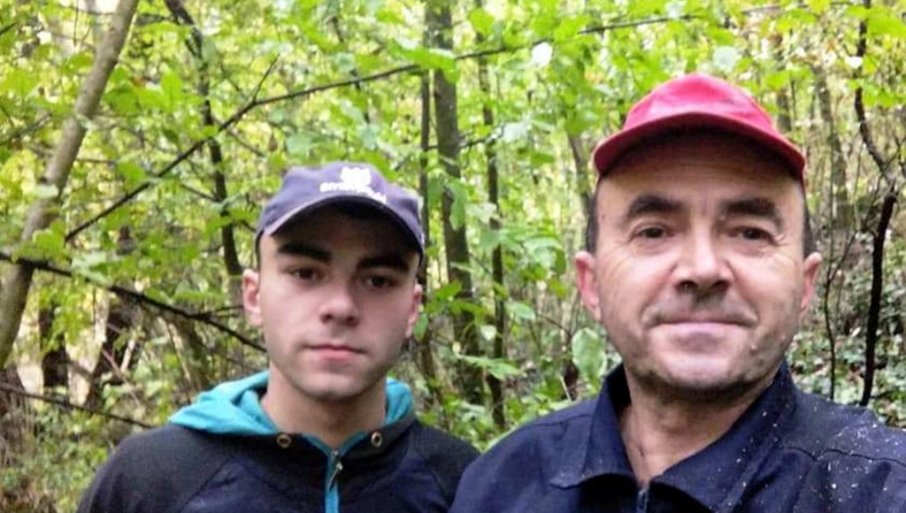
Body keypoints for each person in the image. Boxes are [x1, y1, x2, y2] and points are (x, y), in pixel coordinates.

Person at [449, 74, 906, 512]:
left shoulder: (880, 491)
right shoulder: (501, 484)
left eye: (750, 233)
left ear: (805, 285)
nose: (702, 269)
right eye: (653, 232)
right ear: (591, 284)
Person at [78, 162, 478, 513]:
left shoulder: (465, 487)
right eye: (306, 273)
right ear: (254, 297)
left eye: (378, 280)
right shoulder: (150, 483)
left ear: (413, 309)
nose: (341, 306)